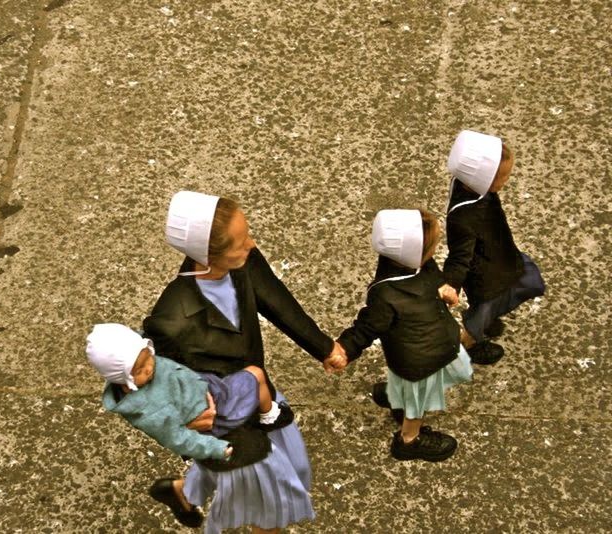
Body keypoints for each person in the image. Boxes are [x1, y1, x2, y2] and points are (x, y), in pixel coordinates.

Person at [143, 191, 347, 534]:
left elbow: (274, 297)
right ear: (208, 255)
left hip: (258, 394)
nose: (251, 244)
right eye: (241, 241)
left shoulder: (241, 262)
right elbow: (156, 384)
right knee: (271, 505)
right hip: (227, 426)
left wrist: (324, 347)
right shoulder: (169, 319)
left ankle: (183, 492)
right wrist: (182, 423)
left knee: (293, 468)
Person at [337, 209, 472, 462]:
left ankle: (393, 396)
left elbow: (431, 276)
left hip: (419, 350)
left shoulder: (414, 266)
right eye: (431, 248)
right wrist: (344, 348)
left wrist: (442, 286)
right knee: (417, 405)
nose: (434, 252)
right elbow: (366, 327)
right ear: (415, 253)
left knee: (418, 387)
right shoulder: (386, 295)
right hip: (419, 361)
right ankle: (409, 440)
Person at [85, 323, 295, 463]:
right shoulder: (150, 410)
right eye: (139, 370)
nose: (149, 367)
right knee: (256, 374)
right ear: (122, 378)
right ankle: (270, 417)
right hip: (217, 408)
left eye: (148, 356)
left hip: (201, 387)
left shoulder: (136, 367)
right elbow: (178, 438)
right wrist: (217, 449)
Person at [442, 130, 546, 364]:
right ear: (483, 180)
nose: (506, 182)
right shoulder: (465, 217)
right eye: (503, 178)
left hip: (499, 259)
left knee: (522, 283)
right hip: (488, 277)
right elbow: (460, 256)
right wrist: (451, 283)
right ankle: (465, 346)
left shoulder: (470, 188)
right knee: (482, 313)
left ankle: (485, 322)